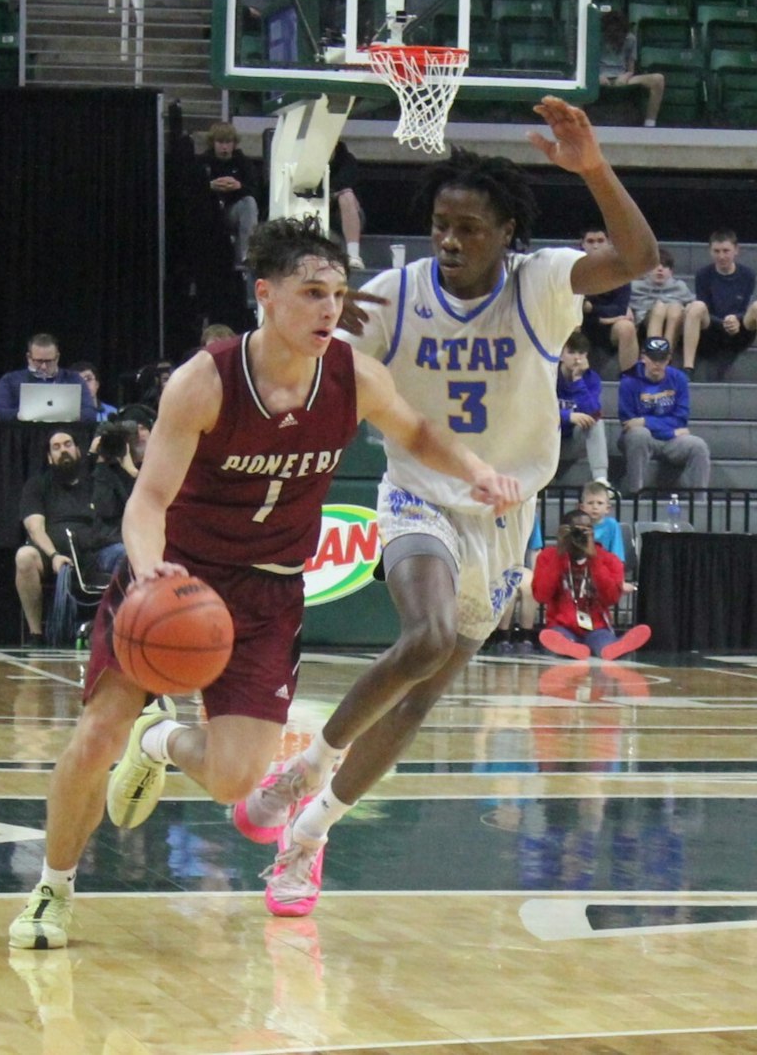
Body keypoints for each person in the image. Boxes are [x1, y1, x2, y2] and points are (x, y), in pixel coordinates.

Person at [7, 217, 521, 949]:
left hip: (268, 594)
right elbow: (147, 502)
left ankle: (157, 745)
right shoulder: (204, 382)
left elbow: (415, 432)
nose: (329, 310)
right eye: (312, 293)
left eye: (338, 294)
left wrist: (476, 471)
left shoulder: (352, 377)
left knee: (232, 780)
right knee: (95, 735)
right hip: (177, 578)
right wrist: (149, 568)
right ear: (267, 295)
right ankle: (52, 890)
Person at [233, 98, 658, 919]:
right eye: (440, 226)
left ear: (506, 233)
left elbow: (639, 256)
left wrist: (593, 168)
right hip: (418, 494)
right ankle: (306, 768)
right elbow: (292, 351)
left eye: (469, 228)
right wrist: (311, 309)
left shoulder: (541, 286)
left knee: (424, 694)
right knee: (423, 637)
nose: (452, 242)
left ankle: (311, 834)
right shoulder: (390, 297)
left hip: (504, 515)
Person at [14, 430, 122, 642]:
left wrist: (122, 467)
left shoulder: (96, 481)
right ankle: (35, 634)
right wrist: (53, 554)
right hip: (53, 554)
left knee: (126, 555)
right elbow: (35, 528)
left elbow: (123, 508)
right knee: (24, 556)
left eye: (68, 444)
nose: (63, 450)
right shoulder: (37, 485)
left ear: (78, 451)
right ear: (49, 457)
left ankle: (115, 627)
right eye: (56, 447)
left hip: (95, 553)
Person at [532, 508, 650, 661]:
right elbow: (541, 595)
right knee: (557, 640)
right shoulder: (548, 557)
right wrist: (560, 552)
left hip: (597, 627)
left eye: (585, 530)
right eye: (574, 531)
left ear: (593, 533)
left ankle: (613, 647)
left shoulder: (608, 559)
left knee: (604, 645)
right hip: (562, 626)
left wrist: (592, 558)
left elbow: (611, 598)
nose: (579, 536)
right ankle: (571, 648)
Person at [682, 229, 757, 384]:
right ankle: (688, 369)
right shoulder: (703, 275)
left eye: (726, 251)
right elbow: (704, 308)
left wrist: (737, 319)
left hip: (739, 329)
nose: (721, 256)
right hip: (712, 330)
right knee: (695, 306)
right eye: (716, 251)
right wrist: (724, 322)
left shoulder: (747, 274)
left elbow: (744, 306)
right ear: (710, 251)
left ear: (736, 250)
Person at [618, 336, 711, 494]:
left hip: (672, 440)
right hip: (643, 439)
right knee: (638, 434)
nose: (657, 364)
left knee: (698, 446)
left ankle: (699, 504)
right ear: (643, 357)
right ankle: (635, 493)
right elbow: (628, 424)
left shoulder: (678, 379)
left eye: (662, 359)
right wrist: (669, 429)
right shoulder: (629, 382)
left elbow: (680, 418)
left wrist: (645, 421)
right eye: (653, 358)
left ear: (668, 359)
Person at [0, 333, 98, 421]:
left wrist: (68, 415)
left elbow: (90, 412)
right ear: (29, 357)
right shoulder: (10, 380)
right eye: (39, 361)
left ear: (57, 357)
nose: (44, 367)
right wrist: (21, 414)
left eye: (49, 361)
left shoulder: (74, 379)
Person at [197, 120, 262, 268]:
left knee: (249, 203)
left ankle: (247, 256)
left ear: (234, 143)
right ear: (212, 143)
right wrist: (208, 186)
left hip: (232, 211)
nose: (224, 147)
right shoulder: (202, 162)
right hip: (209, 213)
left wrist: (239, 186)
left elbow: (257, 192)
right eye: (220, 142)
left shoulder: (243, 162)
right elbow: (189, 192)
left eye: (228, 142)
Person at [579, 226, 639, 373]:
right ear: (583, 244)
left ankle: (629, 381)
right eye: (590, 241)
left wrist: (592, 309)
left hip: (608, 328)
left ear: (609, 243)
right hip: (581, 324)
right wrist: (601, 317)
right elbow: (572, 306)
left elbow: (620, 308)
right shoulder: (574, 269)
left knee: (627, 327)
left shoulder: (620, 272)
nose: (595, 245)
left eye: (600, 240)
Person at [555, 332, 609, 488]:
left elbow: (593, 412)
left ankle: (601, 479)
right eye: (571, 352)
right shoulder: (548, 377)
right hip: (549, 439)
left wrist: (578, 379)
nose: (577, 358)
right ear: (560, 355)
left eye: (581, 353)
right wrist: (567, 416)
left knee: (595, 423)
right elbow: (537, 413)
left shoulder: (591, 379)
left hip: (572, 441)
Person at [597, 9, 664, 127]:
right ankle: (576, 124)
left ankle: (650, 123)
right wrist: (597, 76)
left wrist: (625, 76)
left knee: (658, 79)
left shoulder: (630, 39)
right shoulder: (596, 38)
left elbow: (631, 69)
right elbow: (589, 64)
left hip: (622, 77)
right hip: (599, 77)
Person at [628, 247, 695, 349]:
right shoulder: (635, 286)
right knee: (659, 308)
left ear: (671, 272)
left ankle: (666, 353)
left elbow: (692, 303)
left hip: (674, 321)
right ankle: (655, 353)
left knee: (675, 308)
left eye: (665, 266)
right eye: (655, 266)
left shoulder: (679, 286)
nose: (660, 269)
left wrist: (688, 307)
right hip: (643, 323)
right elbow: (622, 302)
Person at [329, 141, 367, 270]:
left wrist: (332, 195)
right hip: (322, 217)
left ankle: (354, 256)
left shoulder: (347, 161)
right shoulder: (307, 164)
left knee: (347, 195)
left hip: (347, 216)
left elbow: (343, 186)